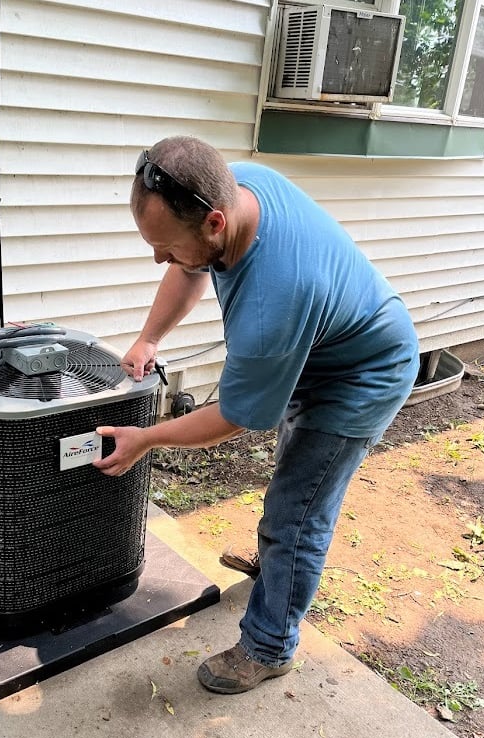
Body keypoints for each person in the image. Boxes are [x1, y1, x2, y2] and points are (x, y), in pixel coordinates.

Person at [92, 136, 419, 695]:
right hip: (316, 349)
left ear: (216, 222)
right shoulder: (233, 187)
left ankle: (269, 645)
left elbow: (235, 416)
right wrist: (149, 338)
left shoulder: (272, 305)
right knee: (291, 496)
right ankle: (278, 572)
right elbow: (192, 266)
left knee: (296, 514)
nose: (158, 259)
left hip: (361, 377)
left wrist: (145, 438)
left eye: (164, 248)